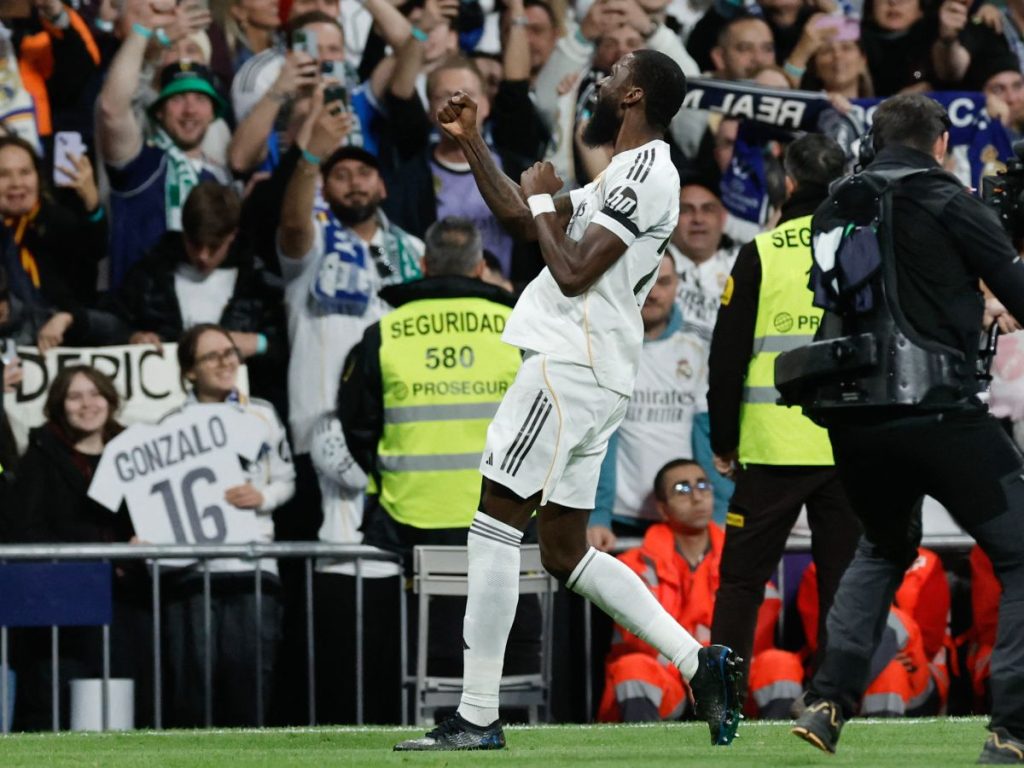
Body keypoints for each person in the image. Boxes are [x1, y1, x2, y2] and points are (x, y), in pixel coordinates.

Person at [394, 48, 743, 752]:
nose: (603, 78)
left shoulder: (648, 174)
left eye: (614, 71)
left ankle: (478, 714)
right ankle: (695, 661)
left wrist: (551, 198)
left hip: (567, 366)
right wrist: (472, 144)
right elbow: (528, 220)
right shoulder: (624, 171)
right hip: (596, 372)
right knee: (561, 551)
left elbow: (575, 270)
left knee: (494, 522)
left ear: (635, 92)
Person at [789, 94, 1024, 763]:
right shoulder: (950, 198)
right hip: (937, 409)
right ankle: (1013, 727)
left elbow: (863, 291)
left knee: (884, 545)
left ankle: (829, 698)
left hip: (853, 415)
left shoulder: (835, 204)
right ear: (942, 143)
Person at [324, 216, 522, 723]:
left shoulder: (385, 332)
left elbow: (356, 426)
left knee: (422, 666)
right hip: (504, 520)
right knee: (504, 661)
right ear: (481, 266)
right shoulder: (518, 328)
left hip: (410, 523)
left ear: (426, 264)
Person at [707, 134, 862, 702]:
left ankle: (722, 702)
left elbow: (726, 359)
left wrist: (723, 441)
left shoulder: (762, 251)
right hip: (847, 444)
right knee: (844, 585)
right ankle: (838, 705)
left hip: (772, 448)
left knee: (743, 583)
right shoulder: (862, 245)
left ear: (788, 184)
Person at [5, 365, 151, 729]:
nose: (87, 404)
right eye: (74, 396)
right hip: (60, 614)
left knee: (119, 716)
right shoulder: (40, 457)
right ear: (59, 406)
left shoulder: (139, 452)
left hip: (126, 608)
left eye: (95, 393)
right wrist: (104, 551)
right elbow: (26, 528)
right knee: (53, 713)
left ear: (110, 399)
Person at [163, 323, 295, 726]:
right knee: (193, 695)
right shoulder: (170, 425)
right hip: (194, 572)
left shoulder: (263, 413)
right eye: (212, 356)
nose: (225, 362)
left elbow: (286, 477)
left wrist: (264, 497)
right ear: (189, 371)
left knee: (248, 691)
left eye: (229, 353)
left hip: (253, 569)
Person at [98, 1, 231, 288]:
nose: (190, 110)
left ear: (213, 112)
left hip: (207, 318)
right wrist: (143, 30)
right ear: (158, 110)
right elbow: (112, 108)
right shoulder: (140, 165)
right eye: (178, 99)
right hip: (141, 321)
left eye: (199, 99)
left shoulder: (222, 180)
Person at [588, 253, 706, 551]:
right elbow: (596, 440)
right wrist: (597, 514)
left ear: (678, 285)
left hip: (684, 516)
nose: (653, 293)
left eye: (663, 282)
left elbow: (708, 437)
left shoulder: (701, 347)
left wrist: (715, 513)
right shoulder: (603, 345)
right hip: (617, 519)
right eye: (645, 282)